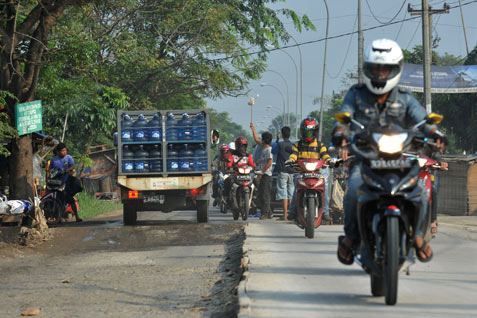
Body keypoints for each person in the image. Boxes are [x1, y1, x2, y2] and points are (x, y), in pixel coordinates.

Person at [332, 38, 446, 265]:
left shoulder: (405, 97)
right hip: (365, 159)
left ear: (396, 69)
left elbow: (422, 120)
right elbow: (343, 118)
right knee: (354, 189)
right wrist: (340, 133)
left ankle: (418, 237)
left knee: (421, 192)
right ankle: (352, 237)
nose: (381, 74)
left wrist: (435, 133)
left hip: (400, 160)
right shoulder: (355, 94)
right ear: (368, 69)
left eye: (386, 69)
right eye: (376, 68)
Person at [287, 117, 332, 223]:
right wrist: (290, 160)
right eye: (306, 132)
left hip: (316, 173)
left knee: (324, 188)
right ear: (302, 132)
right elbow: (294, 154)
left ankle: (325, 212)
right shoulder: (297, 145)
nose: (308, 134)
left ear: (315, 132)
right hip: (300, 172)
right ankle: (292, 211)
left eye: (311, 132)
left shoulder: (320, 145)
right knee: (296, 188)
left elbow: (324, 154)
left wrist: (329, 161)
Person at [48, 143, 82, 222]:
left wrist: (67, 170)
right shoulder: (53, 160)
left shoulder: (68, 158)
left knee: (70, 199)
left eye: (65, 150)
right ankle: (58, 217)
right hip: (57, 182)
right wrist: (53, 173)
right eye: (62, 151)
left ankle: (77, 216)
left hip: (67, 182)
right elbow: (50, 170)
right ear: (58, 151)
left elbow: (72, 166)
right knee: (57, 199)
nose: (64, 152)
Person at [250, 123, 273, 219]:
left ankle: (264, 214)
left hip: (266, 175)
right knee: (262, 194)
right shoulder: (263, 146)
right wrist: (253, 128)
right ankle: (269, 212)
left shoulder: (268, 150)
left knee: (265, 195)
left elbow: (269, 163)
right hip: (262, 174)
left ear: (264, 140)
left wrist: (262, 171)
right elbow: (256, 139)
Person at [223, 136, 256, 203]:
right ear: (236, 146)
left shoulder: (248, 155)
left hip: (246, 174)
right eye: (240, 146)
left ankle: (255, 197)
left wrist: (255, 168)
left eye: (243, 146)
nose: (242, 148)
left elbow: (251, 164)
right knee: (228, 180)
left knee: (256, 180)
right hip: (235, 174)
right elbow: (229, 163)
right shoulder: (231, 154)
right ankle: (226, 198)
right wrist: (230, 167)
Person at [271, 126, 295, 220]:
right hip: (292, 172)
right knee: (291, 193)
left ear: (282, 135)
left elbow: (273, 151)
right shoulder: (293, 145)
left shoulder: (280, 144)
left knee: (283, 193)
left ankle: (285, 214)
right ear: (289, 134)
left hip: (283, 171)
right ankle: (291, 214)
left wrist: (276, 140)